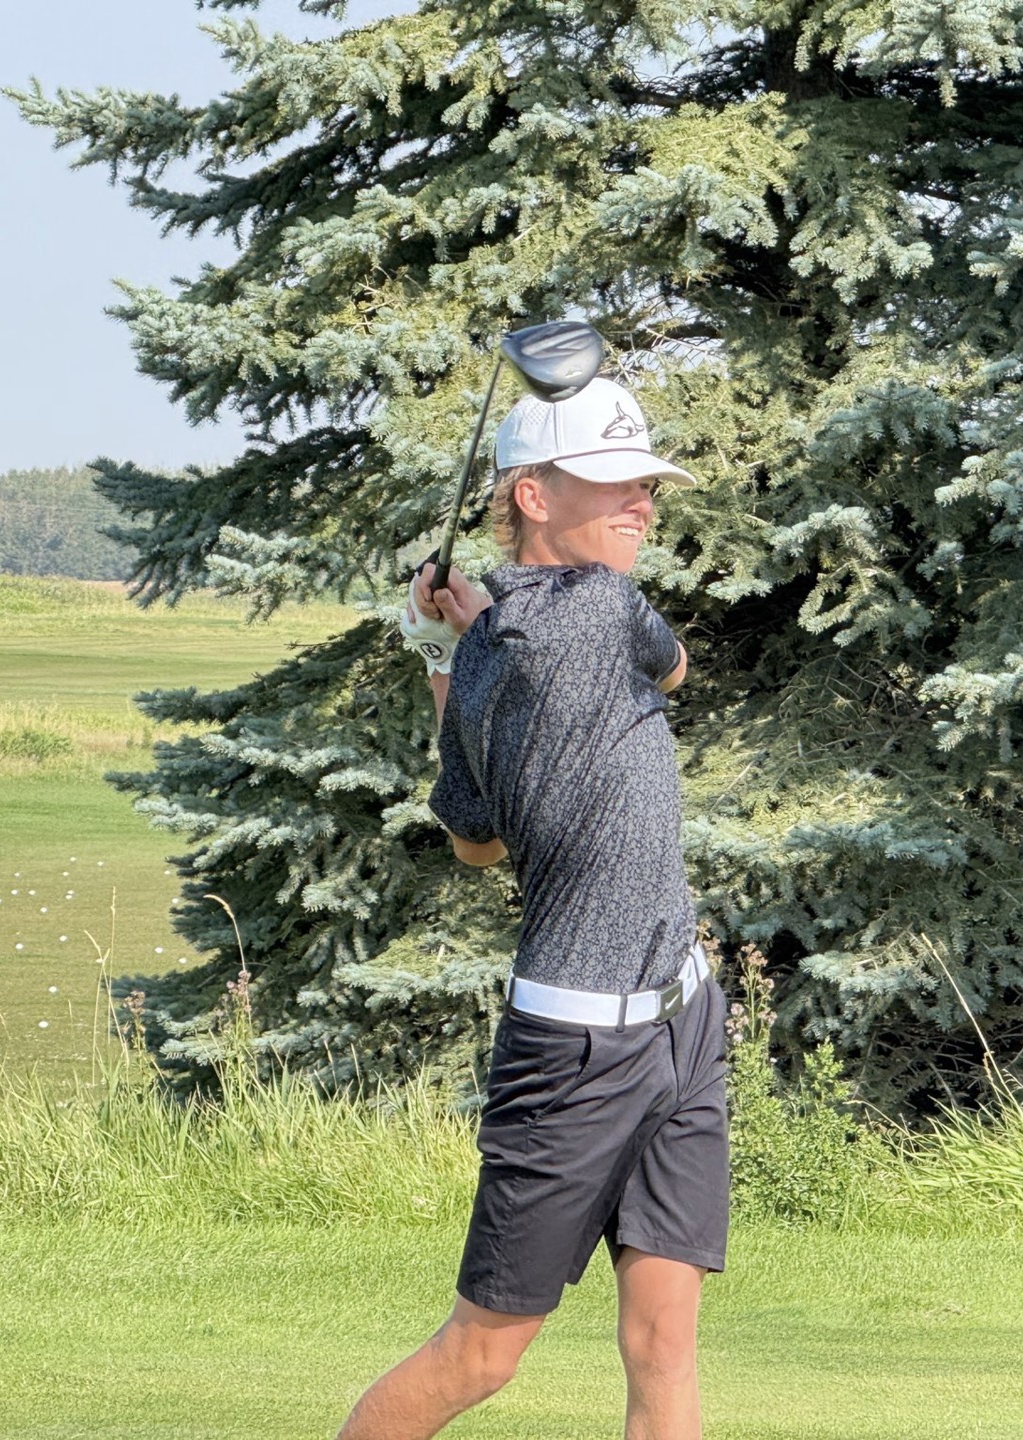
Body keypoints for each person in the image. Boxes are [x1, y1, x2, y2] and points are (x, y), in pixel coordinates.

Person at [339, 375, 727, 1440]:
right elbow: (674, 669)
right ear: (531, 495)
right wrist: (476, 636)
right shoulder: (602, 605)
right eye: (614, 483)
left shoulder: (489, 653)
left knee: (664, 1343)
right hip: (575, 1053)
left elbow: (476, 841)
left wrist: (449, 648)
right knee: (481, 1354)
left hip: (683, 1014)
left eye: (647, 485)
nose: (641, 503)